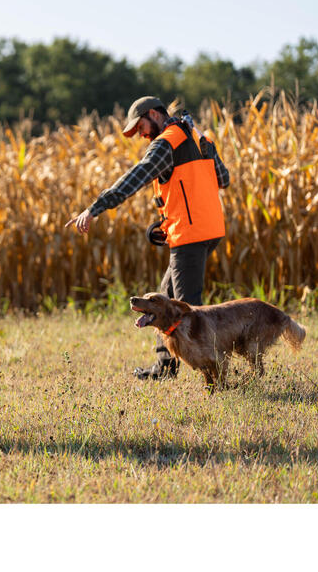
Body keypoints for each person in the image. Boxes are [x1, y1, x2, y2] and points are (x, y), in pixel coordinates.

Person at [65, 95, 230, 380]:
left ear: (154, 114)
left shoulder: (168, 141)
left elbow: (137, 176)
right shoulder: (199, 137)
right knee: (163, 300)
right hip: (209, 230)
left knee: (189, 310)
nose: (140, 134)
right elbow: (223, 178)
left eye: (140, 126)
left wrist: (95, 208)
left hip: (190, 235)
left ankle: (214, 375)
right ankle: (165, 368)